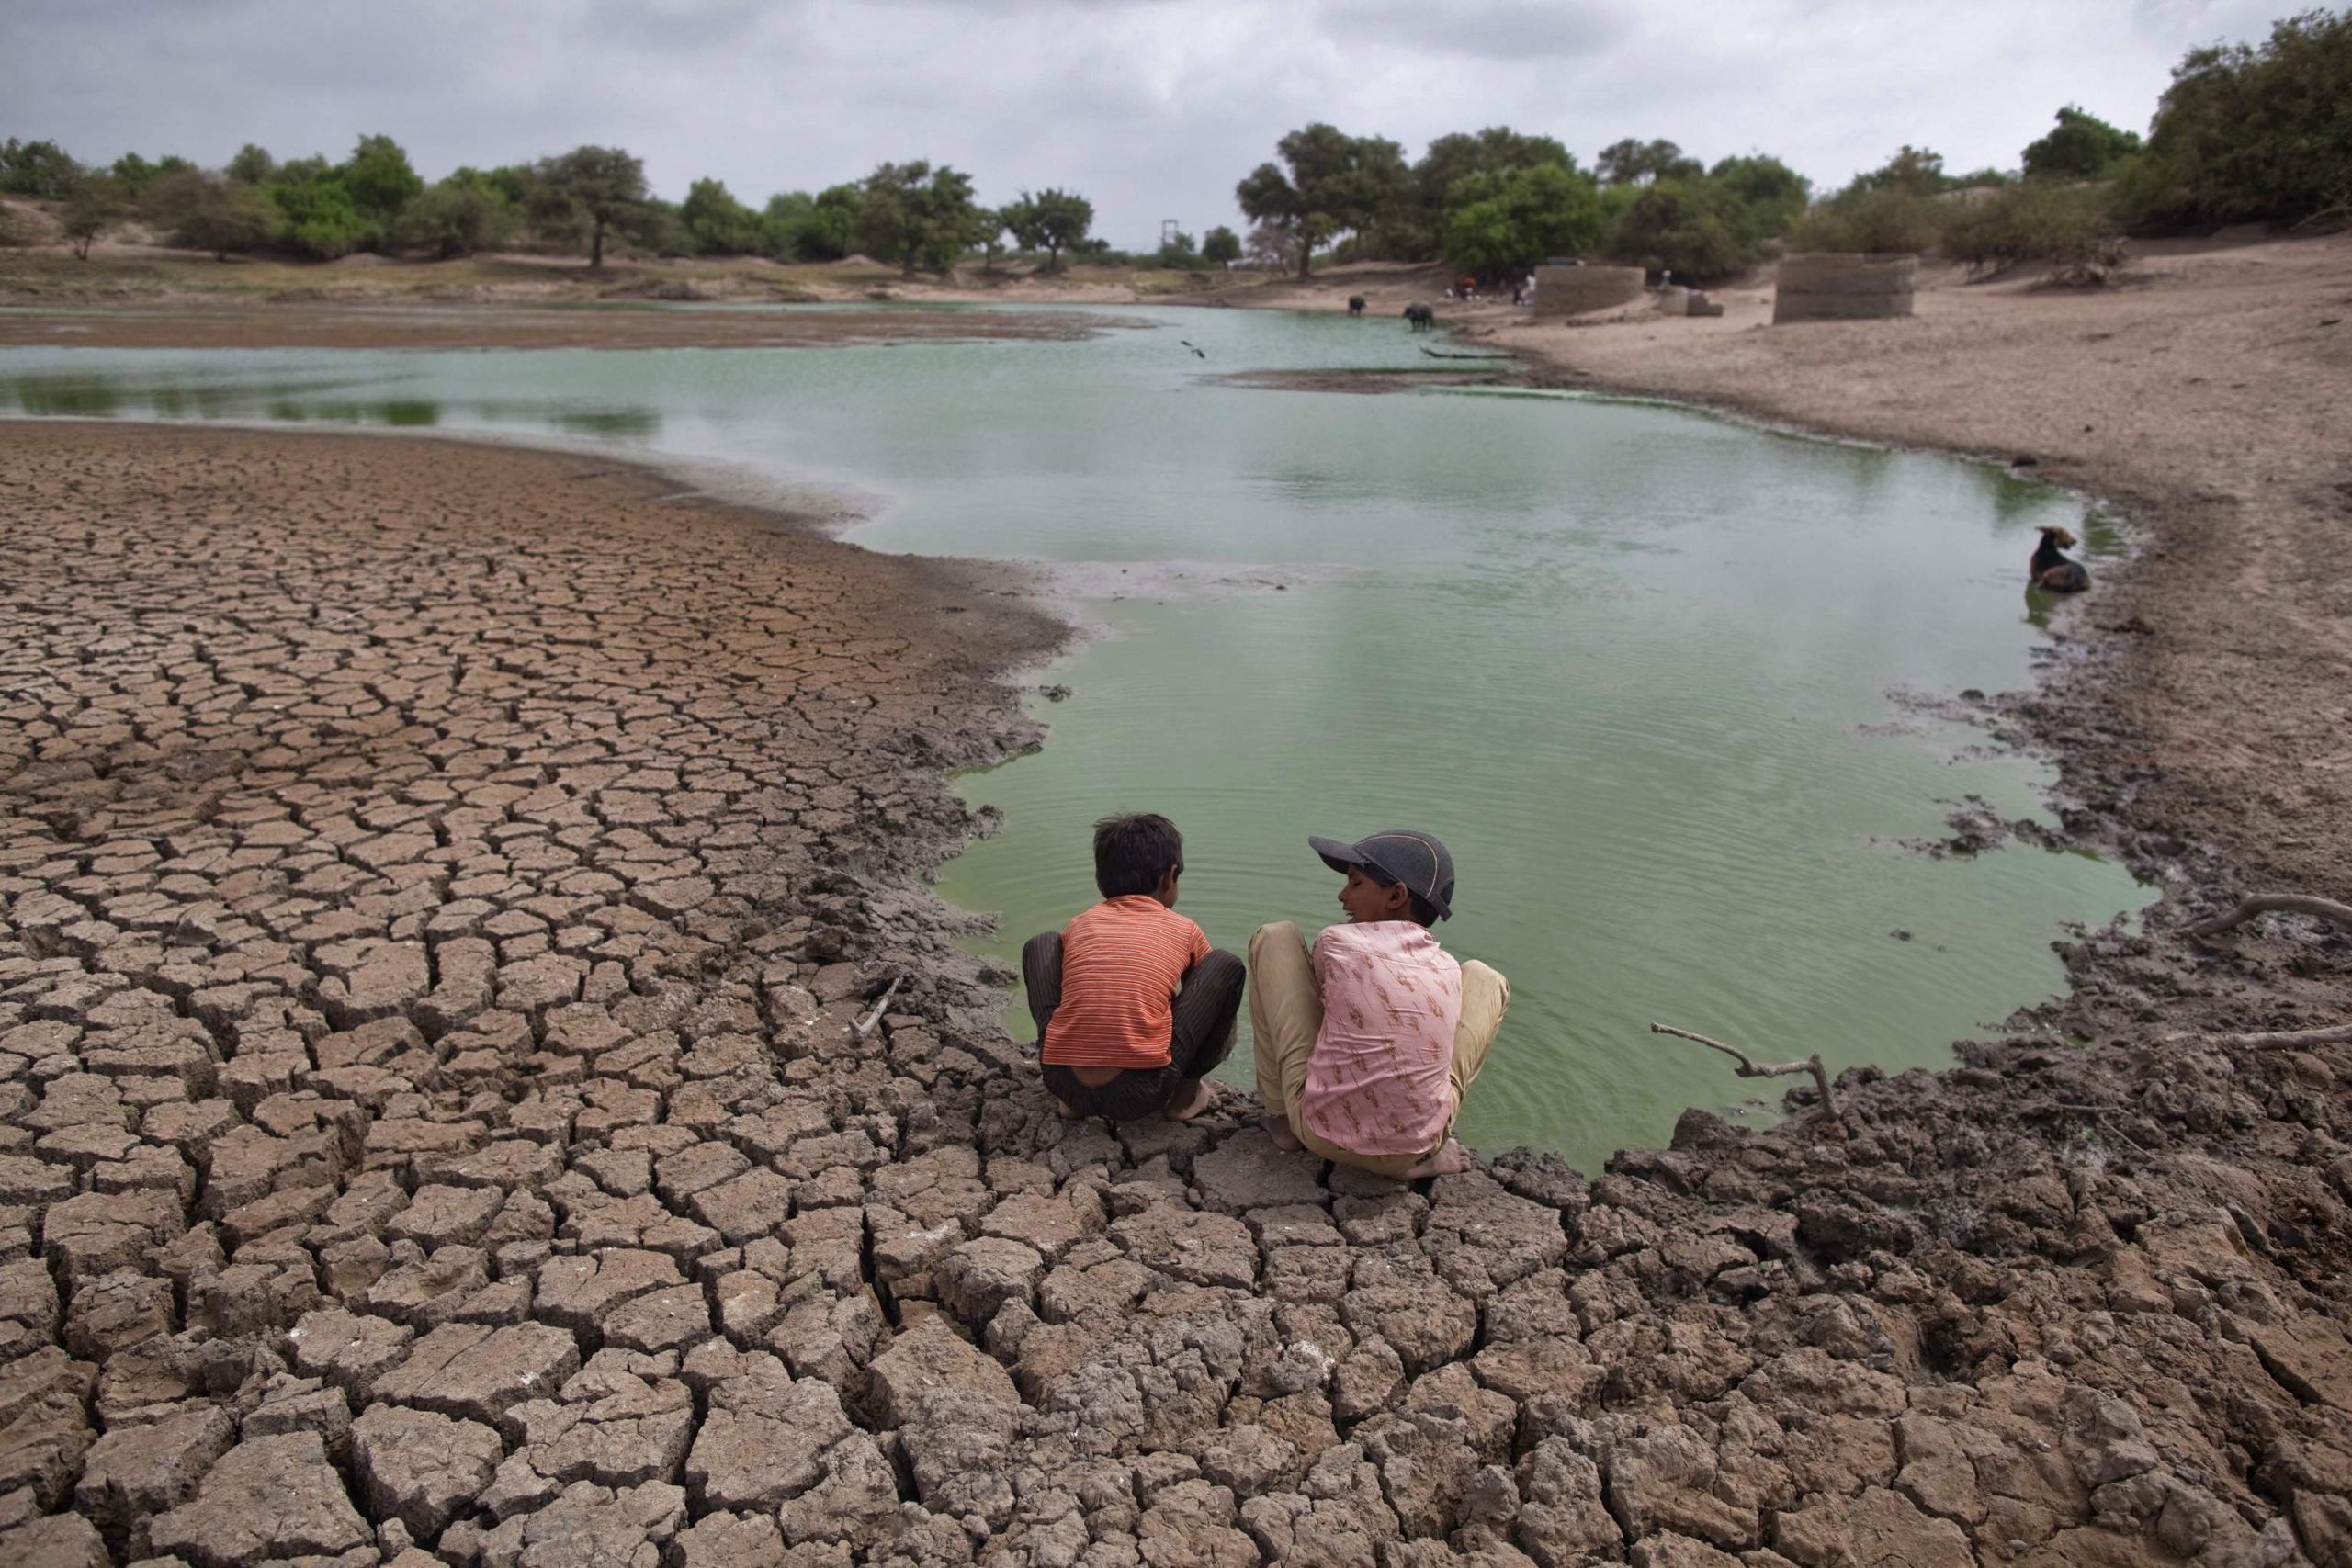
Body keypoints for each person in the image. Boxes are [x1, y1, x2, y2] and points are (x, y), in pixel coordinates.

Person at [1250, 829, 1510, 1178]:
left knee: (1275, 937)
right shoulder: (1446, 968)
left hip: (1317, 1134)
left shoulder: (1336, 942)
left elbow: (1324, 1014)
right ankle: (1409, 1157)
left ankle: (1281, 1117)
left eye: (1355, 883)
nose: (1343, 896)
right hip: (1417, 1146)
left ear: (1396, 895)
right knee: (1486, 979)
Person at [1023, 813, 1244, 1123]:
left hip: (1063, 1080)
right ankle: (1185, 1097)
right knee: (1226, 966)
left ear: (1100, 883)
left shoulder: (1080, 924)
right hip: (1141, 1094)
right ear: (1169, 877)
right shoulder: (1184, 929)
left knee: (1042, 944)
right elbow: (1205, 1000)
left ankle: (1069, 1099)